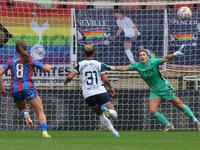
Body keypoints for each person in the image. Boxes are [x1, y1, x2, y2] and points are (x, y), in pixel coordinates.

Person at [103, 45, 200, 132]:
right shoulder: (137, 66)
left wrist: (175, 54)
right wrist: (111, 68)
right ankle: (169, 125)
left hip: (165, 88)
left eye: (144, 55)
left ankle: (196, 121)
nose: (142, 56)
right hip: (154, 91)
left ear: (148, 56)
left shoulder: (153, 62)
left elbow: (165, 58)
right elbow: (125, 68)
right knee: (152, 111)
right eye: (140, 55)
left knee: (179, 105)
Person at [64, 44, 120, 137]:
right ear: (94, 53)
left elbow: (70, 76)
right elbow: (104, 79)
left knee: (100, 115)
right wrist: (110, 87)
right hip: (100, 91)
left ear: (84, 53)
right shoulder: (98, 64)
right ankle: (109, 113)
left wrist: (66, 81)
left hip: (88, 94)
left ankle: (115, 133)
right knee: (113, 113)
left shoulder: (80, 64)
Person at [0, 40, 52, 138]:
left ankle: (25, 113)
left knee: (23, 108)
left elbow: (0, 73)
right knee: (40, 111)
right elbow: (45, 69)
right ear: (26, 49)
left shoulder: (11, 61)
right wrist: (48, 67)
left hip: (15, 89)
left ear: (16, 50)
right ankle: (44, 132)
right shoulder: (30, 59)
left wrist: (2, 89)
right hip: (28, 87)